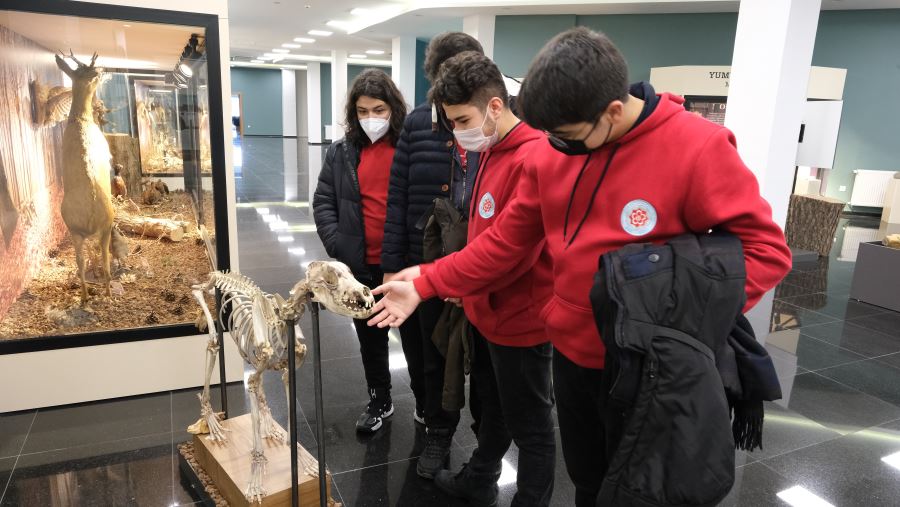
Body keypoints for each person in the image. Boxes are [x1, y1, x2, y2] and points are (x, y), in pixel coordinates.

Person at [369, 27, 793, 506]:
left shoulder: (697, 147)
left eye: (566, 135)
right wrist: (427, 282)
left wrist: (673, 324)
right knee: (588, 483)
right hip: (572, 355)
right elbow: (506, 242)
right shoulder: (551, 152)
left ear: (613, 111)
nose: (554, 146)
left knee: (641, 492)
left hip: (650, 366)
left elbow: (765, 252)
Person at [426, 51, 556, 507]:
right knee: (495, 409)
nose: (458, 131)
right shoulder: (493, 149)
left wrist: (442, 280)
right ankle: (480, 478)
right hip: (489, 314)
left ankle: (530, 500)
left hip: (522, 320)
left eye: (463, 119)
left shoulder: (534, 157)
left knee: (533, 426)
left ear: (496, 107)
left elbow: (508, 251)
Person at [380, 32, 485, 479]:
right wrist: (392, 263)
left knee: (481, 355)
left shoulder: (490, 127)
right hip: (422, 258)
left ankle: (487, 443)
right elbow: (398, 195)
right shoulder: (418, 125)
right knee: (428, 355)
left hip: (480, 261)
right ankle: (436, 432)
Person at [312, 69, 424, 433]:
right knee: (370, 338)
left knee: (418, 342)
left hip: (404, 267)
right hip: (362, 265)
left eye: (378, 109)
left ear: (393, 107)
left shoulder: (409, 145)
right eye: (362, 111)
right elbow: (324, 199)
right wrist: (338, 242)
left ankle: (426, 404)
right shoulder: (342, 152)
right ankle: (380, 399)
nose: (371, 118)